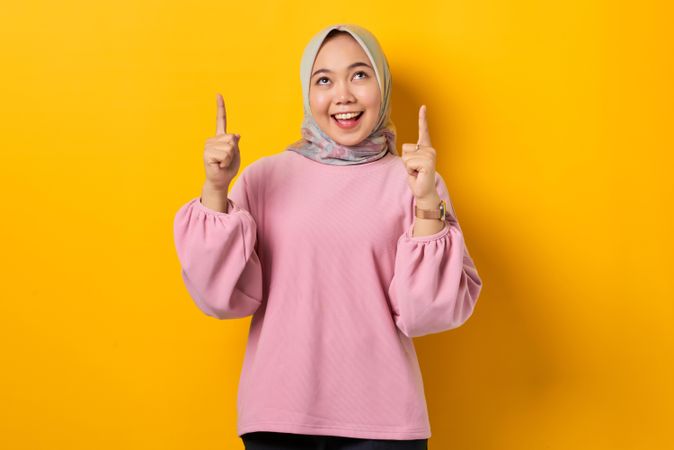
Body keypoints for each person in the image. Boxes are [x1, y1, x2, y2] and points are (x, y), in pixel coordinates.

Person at [173, 23, 483, 450]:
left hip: (385, 424)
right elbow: (219, 296)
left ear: (382, 86)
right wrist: (215, 189)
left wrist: (427, 200)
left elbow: (427, 311)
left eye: (360, 74)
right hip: (279, 419)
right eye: (324, 80)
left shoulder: (412, 180)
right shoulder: (265, 177)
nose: (343, 95)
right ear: (307, 92)